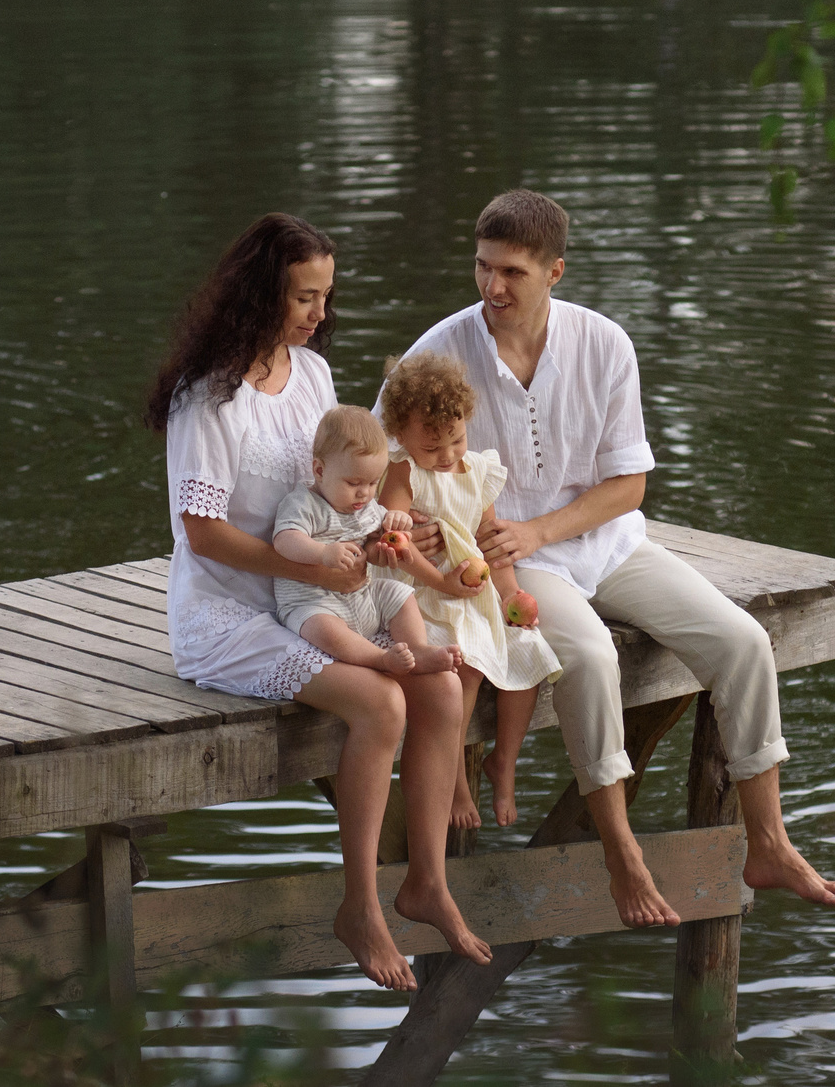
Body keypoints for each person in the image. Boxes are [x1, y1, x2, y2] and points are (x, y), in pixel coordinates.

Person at [388, 189, 835, 925]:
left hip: (608, 544)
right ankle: (621, 850)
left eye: (512, 272)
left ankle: (768, 839)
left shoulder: (606, 343)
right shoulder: (439, 350)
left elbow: (629, 483)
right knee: (592, 657)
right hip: (511, 562)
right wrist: (426, 522)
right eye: (482, 268)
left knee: (743, 641)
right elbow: (389, 474)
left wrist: (546, 528)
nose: (492, 287)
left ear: (555, 271)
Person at [146, 213, 489, 990]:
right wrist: (318, 569)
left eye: (326, 296)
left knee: (436, 681)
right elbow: (200, 533)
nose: (319, 313)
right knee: (380, 703)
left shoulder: (314, 377)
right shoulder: (209, 397)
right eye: (305, 296)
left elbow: (345, 496)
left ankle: (426, 879)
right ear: (261, 292)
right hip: (230, 611)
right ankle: (360, 906)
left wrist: (388, 535)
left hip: (319, 590)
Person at [377, 353, 562, 828]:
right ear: (401, 437)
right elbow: (391, 536)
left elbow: (489, 544)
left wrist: (509, 596)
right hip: (426, 597)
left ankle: (504, 760)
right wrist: (395, 519)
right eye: (432, 444)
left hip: (474, 592)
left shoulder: (478, 472)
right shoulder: (404, 472)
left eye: (457, 439)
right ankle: (458, 779)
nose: (448, 455)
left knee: (530, 651)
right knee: (468, 671)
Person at [268, 405, 465, 680]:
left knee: (400, 595)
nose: (364, 493)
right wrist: (323, 553)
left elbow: (376, 542)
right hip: (313, 601)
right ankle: (380, 659)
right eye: (354, 483)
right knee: (324, 629)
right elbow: (284, 541)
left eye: (373, 483)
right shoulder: (303, 504)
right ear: (320, 470)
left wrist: (397, 525)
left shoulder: (367, 507)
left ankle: (418, 649)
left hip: (362, 595)